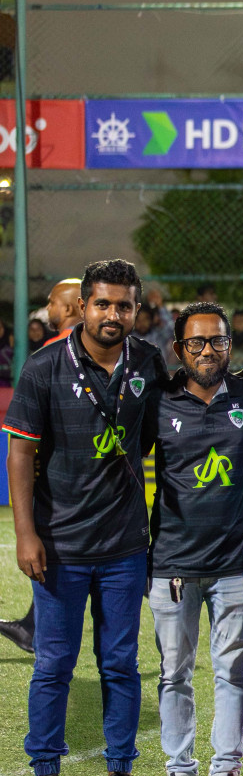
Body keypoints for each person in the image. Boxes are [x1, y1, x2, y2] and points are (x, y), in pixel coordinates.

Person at [5, 259, 168, 776]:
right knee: (54, 665)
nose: (113, 315)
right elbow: (20, 453)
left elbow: (148, 439)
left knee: (120, 663)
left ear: (136, 310)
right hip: (60, 546)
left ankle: (121, 774)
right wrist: (26, 535)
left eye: (124, 306)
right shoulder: (45, 366)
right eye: (103, 304)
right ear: (84, 307)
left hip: (124, 546)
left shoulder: (147, 360)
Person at [140, 302, 243, 776]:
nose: (208, 351)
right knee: (174, 671)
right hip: (171, 561)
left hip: (234, 560)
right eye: (197, 343)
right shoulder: (159, 399)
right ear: (179, 349)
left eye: (217, 341)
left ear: (229, 346)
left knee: (232, 670)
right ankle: (180, 774)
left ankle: (227, 773)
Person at [0, 278, 85, 655]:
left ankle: (37, 629)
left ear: (68, 308)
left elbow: (25, 434)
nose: (48, 310)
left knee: (53, 547)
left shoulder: (50, 353)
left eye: (51, 303)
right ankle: (34, 626)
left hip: (60, 482)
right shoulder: (116, 352)